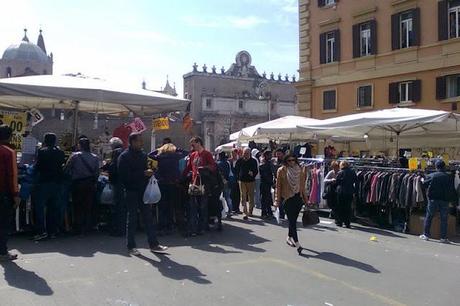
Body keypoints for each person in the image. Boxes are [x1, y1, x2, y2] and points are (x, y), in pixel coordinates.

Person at [118, 133, 168, 255]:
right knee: (132, 219)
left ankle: (154, 244)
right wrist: (143, 174)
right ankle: (131, 246)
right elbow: (124, 177)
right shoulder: (124, 157)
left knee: (148, 218)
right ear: (132, 142)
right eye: (139, 141)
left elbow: (148, 168)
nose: (141, 143)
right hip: (131, 191)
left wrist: (150, 173)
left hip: (143, 191)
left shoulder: (143, 155)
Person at [149, 142, 187, 235]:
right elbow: (186, 152)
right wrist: (176, 149)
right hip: (174, 183)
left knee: (162, 206)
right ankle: (171, 224)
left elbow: (150, 155)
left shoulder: (160, 157)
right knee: (173, 205)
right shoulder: (176, 156)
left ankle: (162, 225)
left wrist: (158, 150)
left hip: (162, 183)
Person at [33, 133, 66, 241]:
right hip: (57, 183)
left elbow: (37, 167)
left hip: (44, 182)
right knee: (53, 208)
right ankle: (52, 231)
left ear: (45, 141)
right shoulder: (60, 153)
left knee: (40, 208)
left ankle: (41, 231)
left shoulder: (42, 151)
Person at [66, 138, 100, 235]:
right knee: (88, 206)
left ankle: (78, 227)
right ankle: (87, 227)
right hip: (90, 184)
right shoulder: (95, 157)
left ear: (79, 145)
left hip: (78, 184)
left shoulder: (74, 156)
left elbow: (67, 169)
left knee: (77, 206)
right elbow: (97, 173)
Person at [274, 154, 307, 255]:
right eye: (289, 160)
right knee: (292, 221)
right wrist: (277, 200)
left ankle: (289, 237)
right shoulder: (281, 170)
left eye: (293, 160)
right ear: (286, 161)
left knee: (293, 221)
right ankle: (298, 244)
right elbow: (278, 186)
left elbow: (302, 185)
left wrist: (306, 199)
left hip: (298, 198)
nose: (292, 162)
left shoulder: (300, 170)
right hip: (287, 198)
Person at [183, 137, 216, 236]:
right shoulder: (193, 155)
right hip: (194, 184)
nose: (192, 146)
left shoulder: (207, 154)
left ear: (198, 143)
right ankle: (193, 228)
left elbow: (213, 166)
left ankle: (202, 227)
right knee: (193, 208)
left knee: (203, 207)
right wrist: (181, 177)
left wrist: (204, 168)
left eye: (193, 144)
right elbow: (188, 168)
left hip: (204, 185)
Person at [420, 160, 457, 243]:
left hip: (433, 200)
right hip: (445, 200)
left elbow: (424, 184)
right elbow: (452, 189)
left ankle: (426, 235)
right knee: (444, 219)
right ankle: (443, 237)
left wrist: (422, 179)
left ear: (436, 167)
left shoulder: (432, 175)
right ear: (444, 167)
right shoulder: (449, 177)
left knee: (429, 217)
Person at [0, 125, 19, 261]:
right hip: (3, 193)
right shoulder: (9, 151)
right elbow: (12, 175)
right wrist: (16, 194)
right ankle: (2, 252)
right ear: (9, 136)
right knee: (3, 223)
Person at [101, 137, 125, 236]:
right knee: (124, 207)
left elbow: (113, 167)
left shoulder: (116, 152)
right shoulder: (125, 151)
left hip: (118, 183)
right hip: (126, 183)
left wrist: (106, 167)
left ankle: (118, 229)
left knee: (118, 206)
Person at [235, 148, 258, 220]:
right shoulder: (240, 161)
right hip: (242, 181)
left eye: (247, 153)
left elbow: (256, 170)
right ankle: (245, 212)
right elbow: (236, 169)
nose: (246, 155)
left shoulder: (253, 161)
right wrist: (238, 177)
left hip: (251, 181)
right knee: (243, 196)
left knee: (251, 196)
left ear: (250, 154)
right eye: (244, 153)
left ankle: (250, 211)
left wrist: (253, 174)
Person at [335, 161, 357, 228]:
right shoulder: (352, 172)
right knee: (348, 207)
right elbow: (355, 180)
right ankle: (347, 222)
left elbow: (337, 181)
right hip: (349, 191)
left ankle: (340, 221)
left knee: (340, 207)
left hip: (341, 191)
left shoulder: (340, 172)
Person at [217, 151, 233, 218]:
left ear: (220, 156)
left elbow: (218, 173)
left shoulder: (218, 164)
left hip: (220, 182)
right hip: (227, 182)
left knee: (218, 197)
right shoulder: (227, 163)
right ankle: (230, 210)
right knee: (228, 197)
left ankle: (219, 211)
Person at [259, 150, 274, 219]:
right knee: (265, 199)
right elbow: (264, 174)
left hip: (267, 183)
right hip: (264, 183)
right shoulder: (264, 163)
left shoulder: (268, 162)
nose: (271, 156)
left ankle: (269, 212)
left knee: (268, 198)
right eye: (270, 155)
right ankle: (264, 213)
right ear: (266, 155)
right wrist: (270, 181)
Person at [273, 148, 285, 219]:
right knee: (277, 198)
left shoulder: (285, 162)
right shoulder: (274, 161)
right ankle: (280, 213)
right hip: (276, 182)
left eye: (279, 154)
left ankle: (282, 212)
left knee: (283, 198)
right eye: (277, 154)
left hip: (284, 183)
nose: (278, 155)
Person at [229, 149, 241, 214]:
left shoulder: (239, 161)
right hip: (231, 180)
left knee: (238, 194)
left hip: (238, 179)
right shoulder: (229, 161)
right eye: (232, 153)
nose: (234, 154)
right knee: (232, 194)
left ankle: (237, 208)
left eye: (235, 153)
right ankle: (232, 208)